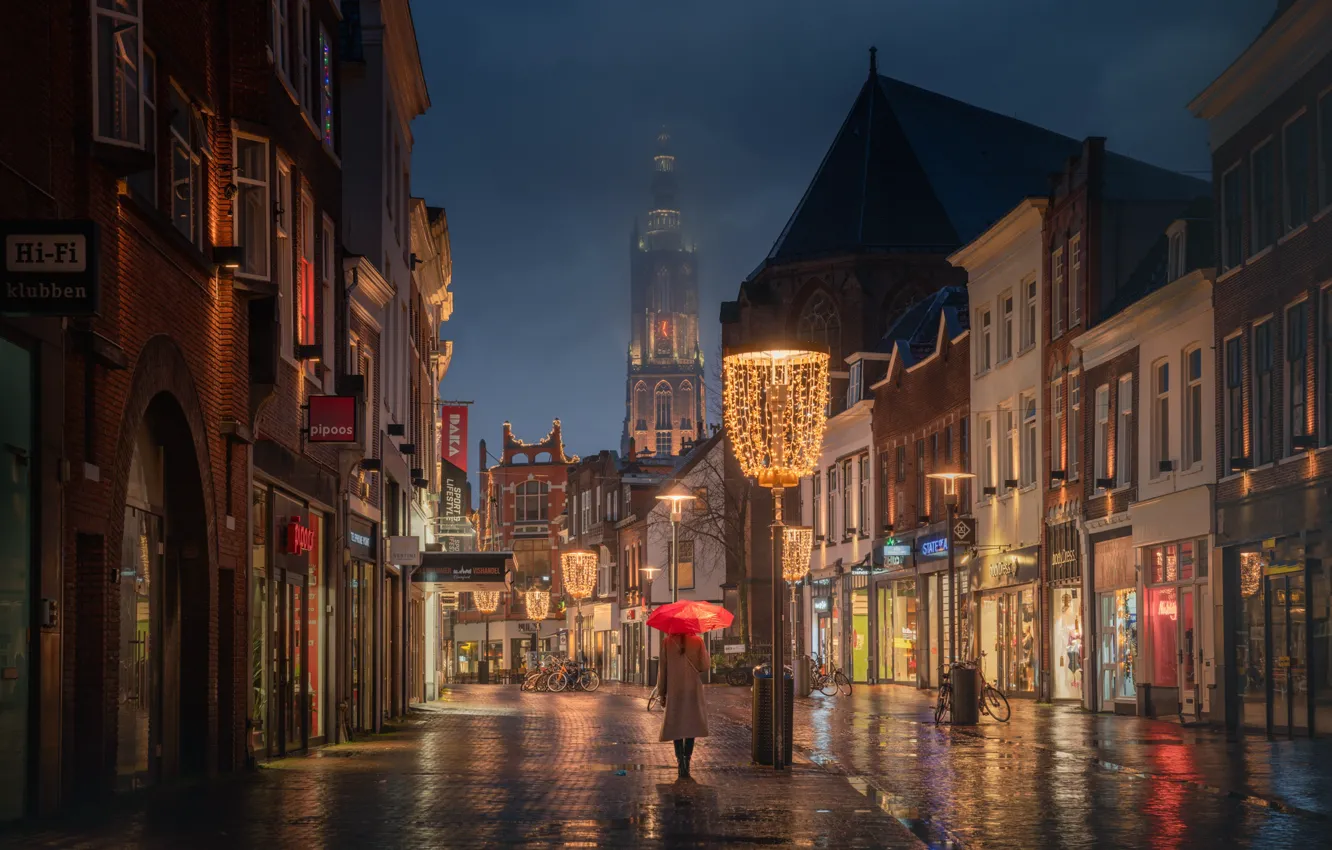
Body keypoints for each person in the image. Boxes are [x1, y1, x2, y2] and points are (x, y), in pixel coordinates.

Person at [657, 630, 710, 778]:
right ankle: (688, 758)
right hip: (693, 689)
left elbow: (663, 670)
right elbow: (704, 666)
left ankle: (680, 760)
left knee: (676, 724)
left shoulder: (667, 643)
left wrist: (662, 692)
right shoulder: (698, 641)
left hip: (675, 689)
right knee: (691, 725)